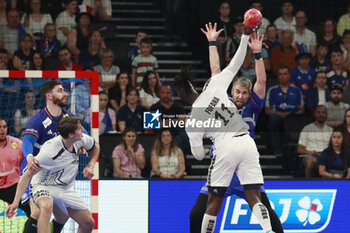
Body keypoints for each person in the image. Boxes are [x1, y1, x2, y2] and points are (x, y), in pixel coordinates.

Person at [184, 23, 283, 233]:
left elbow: (262, 80)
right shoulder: (223, 101)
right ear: (232, 91)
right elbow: (216, 71)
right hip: (224, 161)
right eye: (237, 92)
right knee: (196, 214)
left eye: (244, 93)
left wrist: (257, 54)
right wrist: (212, 43)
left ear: (248, 95)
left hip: (242, 162)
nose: (241, 96)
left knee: (269, 214)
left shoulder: (253, 106)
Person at [6, 117, 99, 233]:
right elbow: (26, 175)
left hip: (65, 188)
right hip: (43, 184)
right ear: (71, 134)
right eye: (80, 129)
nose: (83, 131)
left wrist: (90, 165)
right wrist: (15, 202)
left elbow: (96, 146)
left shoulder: (81, 139)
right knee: (46, 206)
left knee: (88, 223)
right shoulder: (49, 151)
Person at [21, 79, 78, 233]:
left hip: (56, 173)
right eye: (60, 90)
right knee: (38, 211)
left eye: (64, 90)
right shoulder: (38, 119)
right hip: (35, 170)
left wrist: (82, 145)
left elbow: (82, 136)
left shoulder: (69, 118)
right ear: (49, 96)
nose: (65, 93)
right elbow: (27, 141)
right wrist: (29, 157)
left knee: (63, 216)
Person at [265, 65, 304, 156]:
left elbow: (301, 109)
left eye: (285, 74)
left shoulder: (296, 90)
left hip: (292, 116)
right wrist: (280, 113)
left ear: (289, 76)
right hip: (277, 116)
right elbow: (267, 110)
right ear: (278, 76)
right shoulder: (272, 90)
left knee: (296, 120)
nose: (282, 76)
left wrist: (289, 113)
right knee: (273, 118)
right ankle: (277, 149)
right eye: (280, 74)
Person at [0, 118, 31, 217]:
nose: (2, 130)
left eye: (4, 127)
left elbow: (29, 158)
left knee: (32, 210)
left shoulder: (17, 144)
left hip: (13, 187)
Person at [297, 105, 333, 178]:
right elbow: (299, 149)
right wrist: (311, 152)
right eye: (319, 112)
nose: (321, 114)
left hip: (326, 156)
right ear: (315, 114)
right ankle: (308, 185)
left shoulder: (331, 130)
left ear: (326, 115)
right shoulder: (307, 128)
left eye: (323, 112)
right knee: (311, 161)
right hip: (311, 155)